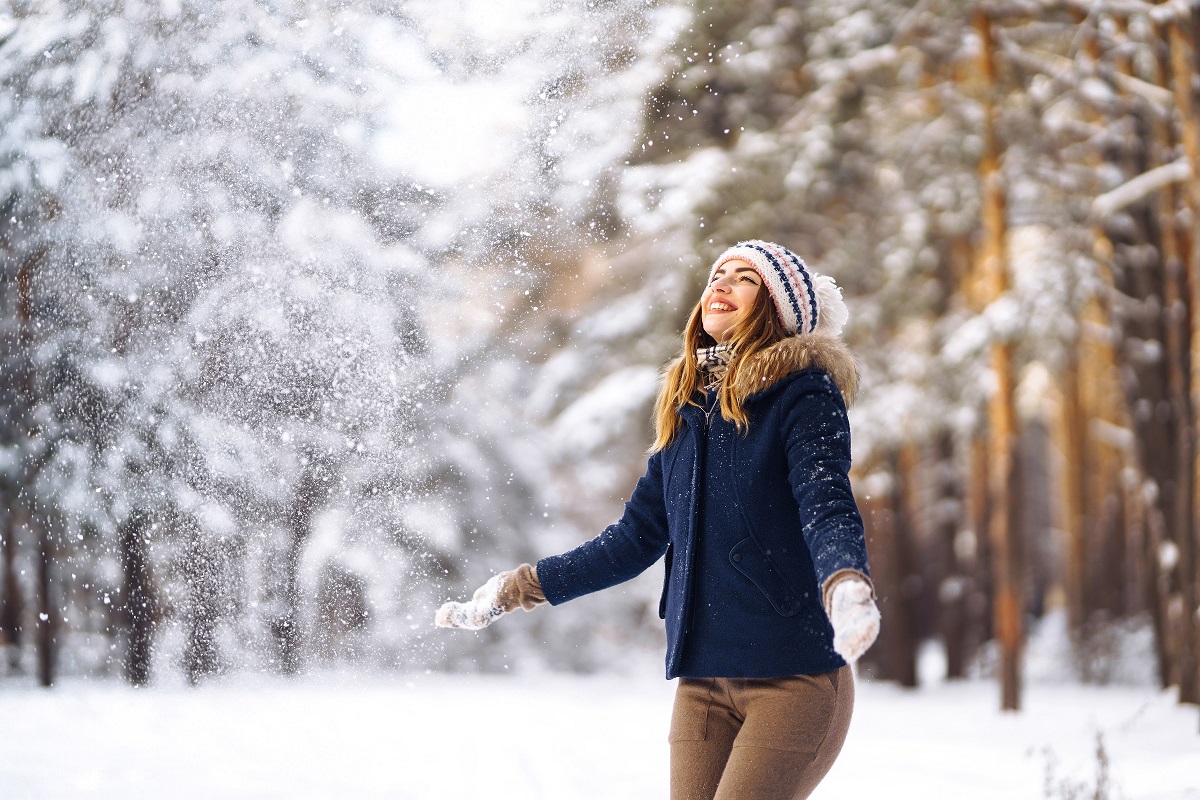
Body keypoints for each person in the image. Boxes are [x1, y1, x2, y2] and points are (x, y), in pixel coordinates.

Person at [435, 240, 881, 800]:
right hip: (703, 681)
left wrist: (846, 584)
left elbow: (826, 501)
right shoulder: (689, 411)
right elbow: (630, 541)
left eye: (744, 278)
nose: (720, 284)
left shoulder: (803, 395)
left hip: (794, 677)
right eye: (717, 273)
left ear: (777, 307)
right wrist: (517, 588)